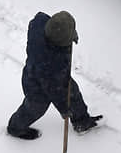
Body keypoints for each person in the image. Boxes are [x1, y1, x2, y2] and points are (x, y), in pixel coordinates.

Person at [7, 11, 102, 140]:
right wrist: (64, 108)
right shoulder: (50, 63)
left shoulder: (40, 23)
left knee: (72, 92)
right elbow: (55, 91)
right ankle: (15, 128)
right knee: (35, 108)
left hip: (48, 73)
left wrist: (70, 35)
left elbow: (41, 19)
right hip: (35, 85)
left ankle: (81, 122)